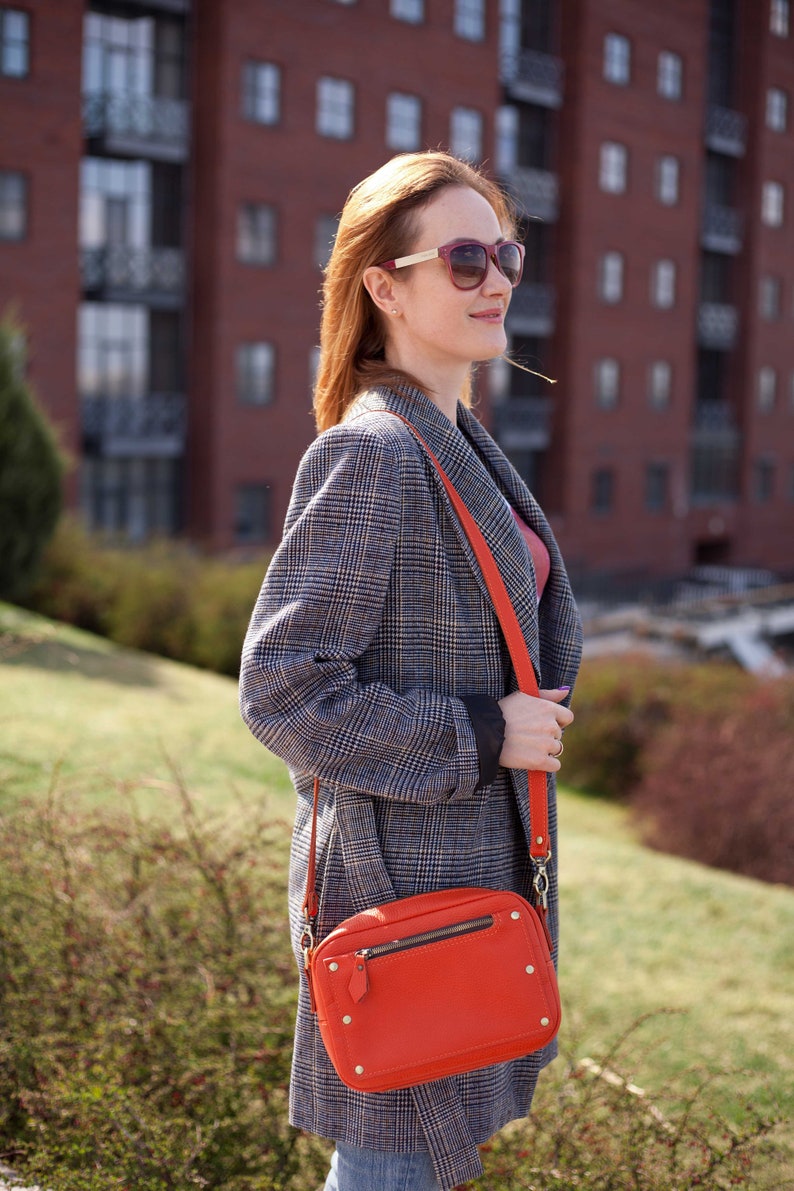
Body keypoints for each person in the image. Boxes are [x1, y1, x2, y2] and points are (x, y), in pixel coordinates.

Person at [239, 150, 583, 1191]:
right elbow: (284, 688)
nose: (497, 281)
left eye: (506, 255)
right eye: (464, 259)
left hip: (460, 884)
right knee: (392, 1166)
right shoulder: (375, 452)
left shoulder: (451, 439)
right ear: (384, 286)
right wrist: (484, 734)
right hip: (405, 906)